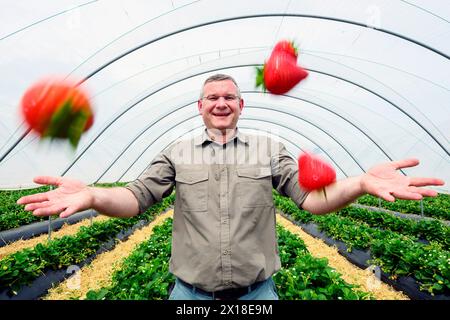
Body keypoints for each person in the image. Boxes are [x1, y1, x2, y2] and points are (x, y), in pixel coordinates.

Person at [17, 73, 445, 300]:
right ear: (200, 106)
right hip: (190, 293)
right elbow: (135, 198)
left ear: (241, 105)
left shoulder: (270, 149)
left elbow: (313, 200)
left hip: (258, 292)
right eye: (212, 97)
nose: (221, 103)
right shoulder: (176, 152)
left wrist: (361, 182)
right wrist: (93, 195)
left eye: (229, 97)